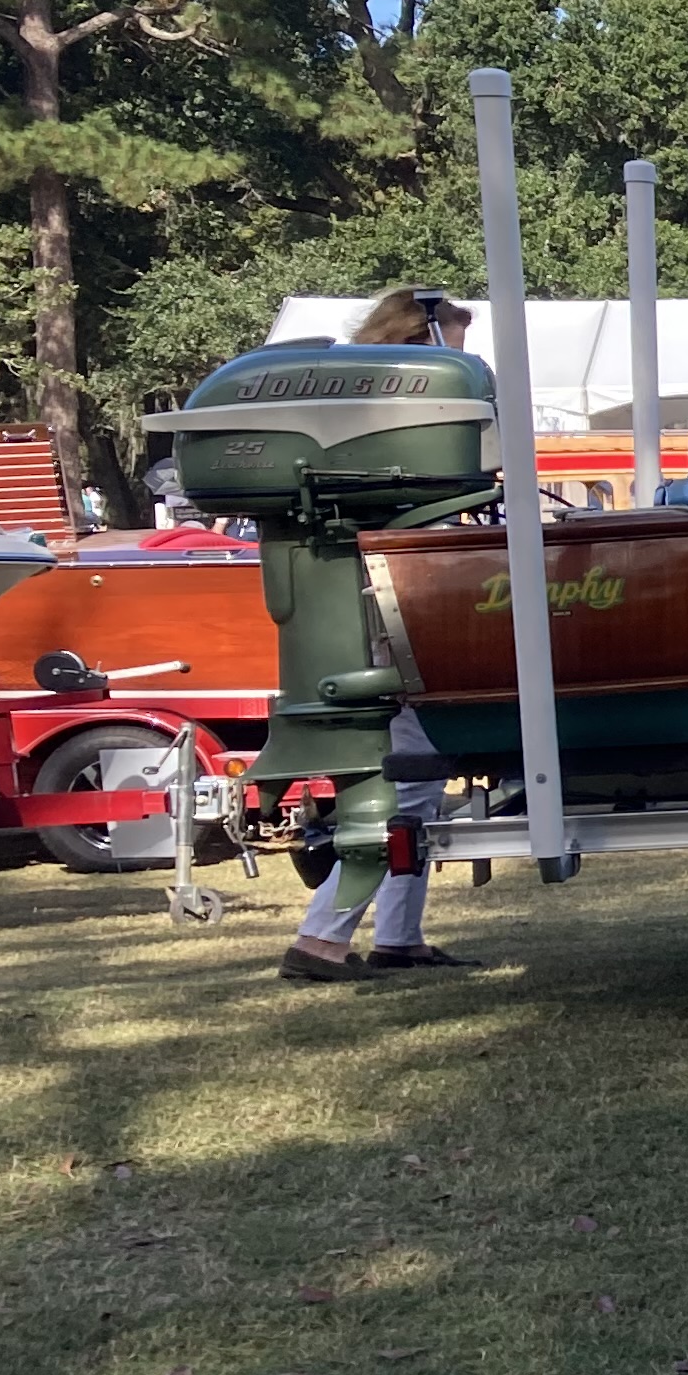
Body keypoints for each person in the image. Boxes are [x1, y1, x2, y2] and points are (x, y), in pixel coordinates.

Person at [278, 285, 482, 981]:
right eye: (455, 347)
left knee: (415, 786)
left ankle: (397, 938)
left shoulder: (361, 412)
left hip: (375, 623)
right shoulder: (394, 426)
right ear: (423, 341)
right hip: (386, 629)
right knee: (404, 788)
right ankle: (319, 940)